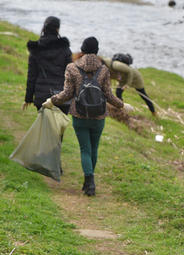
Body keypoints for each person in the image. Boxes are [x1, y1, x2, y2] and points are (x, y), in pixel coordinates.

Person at [43, 37, 133, 196]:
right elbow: (109, 95)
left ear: (82, 49)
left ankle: (89, 182)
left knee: (85, 149)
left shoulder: (72, 68)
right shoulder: (104, 70)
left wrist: (52, 100)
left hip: (79, 115)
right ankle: (89, 181)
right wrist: (122, 105)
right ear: (97, 51)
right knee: (94, 149)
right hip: (99, 116)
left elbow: (67, 94)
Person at [24, 16, 72, 114]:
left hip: (42, 97)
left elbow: (31, 76)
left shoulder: (36, 49)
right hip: (61, 96)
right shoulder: (64, 48)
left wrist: (28, 98)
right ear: (57, 29)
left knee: (45, 127)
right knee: (58, 127)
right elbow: (71, 74)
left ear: (44, 28)